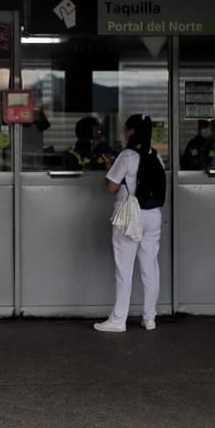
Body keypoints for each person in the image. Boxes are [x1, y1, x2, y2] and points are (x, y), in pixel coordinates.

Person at [95, 113, 164, 332]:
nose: (124, 133)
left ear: (132, 132)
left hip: (129, 215)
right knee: (150, 267)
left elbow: (111, 186)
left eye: (126, 129)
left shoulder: (126, 156)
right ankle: (150, 317)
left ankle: (118, 320)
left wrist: (110, 167)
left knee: (124, 269)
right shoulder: (156, 155)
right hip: (153, 214)